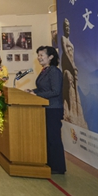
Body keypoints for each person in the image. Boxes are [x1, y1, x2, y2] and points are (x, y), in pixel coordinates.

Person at [27, 46, 66, 175]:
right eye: (38, 55)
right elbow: (43, 89)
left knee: (53, 137)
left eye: (42, 55)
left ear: (51, 57)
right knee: (47, 137)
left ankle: (58, 167)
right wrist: (32, 91)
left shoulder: (54, 71)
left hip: (53, 109)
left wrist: (36, 95)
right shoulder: (45, 70)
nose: (39, 58)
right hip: (45, 107)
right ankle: (49, 162)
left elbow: (55, 91)